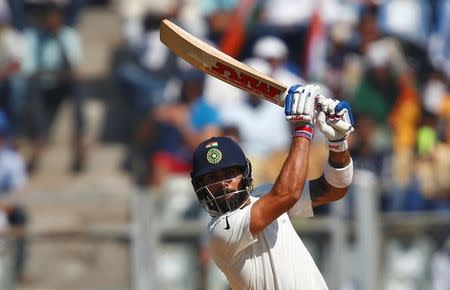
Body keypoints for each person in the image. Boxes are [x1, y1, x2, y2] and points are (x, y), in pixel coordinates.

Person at [190, 84, 355, 289]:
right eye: (211, 178)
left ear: (244, 174)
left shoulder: (267, 195)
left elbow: (333, 189)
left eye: (229, 174)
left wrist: (338, 143)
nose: (222, 183)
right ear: (200, 187)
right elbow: (287, 194)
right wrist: (302, 127)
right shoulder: (221, 231)